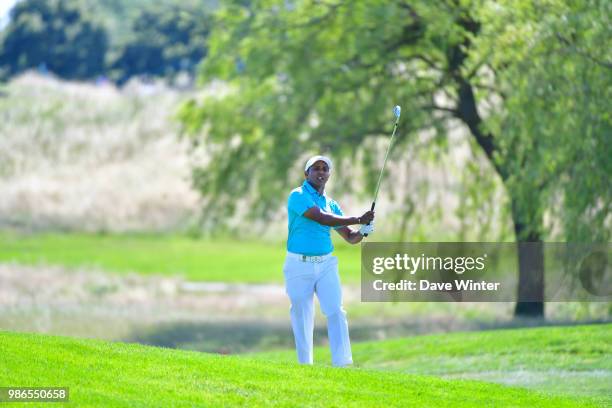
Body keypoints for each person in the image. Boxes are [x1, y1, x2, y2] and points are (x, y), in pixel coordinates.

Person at [284, 155, 375, 367]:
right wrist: (358, 219)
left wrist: (364, 231)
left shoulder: (331, 204)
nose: (321, 172)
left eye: (325, 169)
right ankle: (305, 365)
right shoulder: (297, 196)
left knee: (335, 310)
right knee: (302, 314)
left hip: (326, 265)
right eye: (316, 168)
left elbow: (350, 237)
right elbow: (321, 217)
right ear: (306, 174)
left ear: (329, 175)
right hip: (298, 264)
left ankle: (343, 363)